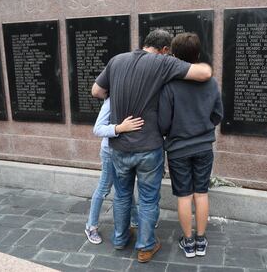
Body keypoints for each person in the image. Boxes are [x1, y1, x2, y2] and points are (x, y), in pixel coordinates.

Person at [91, 29, 212, 263]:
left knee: (122, 195)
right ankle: (145, 246)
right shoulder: (162, 62)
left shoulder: (117, 60)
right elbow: (204, 72)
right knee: (147, 199)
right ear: (165, 50)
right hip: (149, 147)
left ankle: (120, 238)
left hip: (119, 147)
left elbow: (97, 91)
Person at [158, 32, 223, 258]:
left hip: (178, 149)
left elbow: (163, 123)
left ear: (174, 56)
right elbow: (218, 115)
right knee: (201, 193)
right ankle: (201, 240)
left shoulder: (170, 85)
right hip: (204, 146)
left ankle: (188, 242)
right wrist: (203, 127)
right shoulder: (211, 82)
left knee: (184, 196)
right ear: (198, 54)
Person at [85, 97, 143, 244]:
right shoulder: (112, 100)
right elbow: (97, 129)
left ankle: (135, 219)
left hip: (127, 151)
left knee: (124, 187)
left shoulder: (133, 96)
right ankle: (91, 226)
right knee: (104, 188)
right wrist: (119, 128)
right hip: (110, 152)